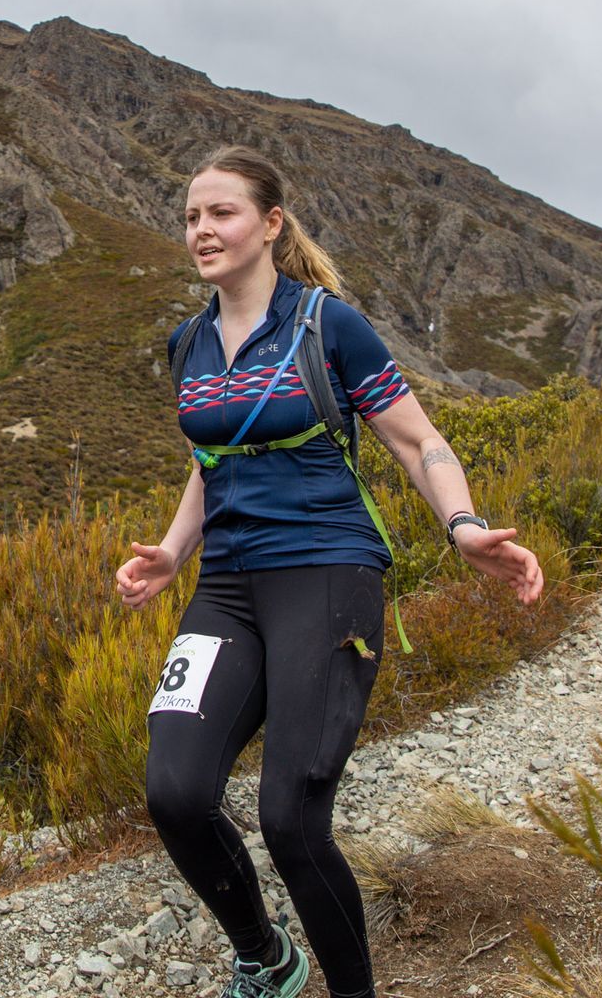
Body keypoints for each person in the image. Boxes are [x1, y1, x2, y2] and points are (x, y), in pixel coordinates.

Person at [115, 147, 544, 998]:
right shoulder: (188, 342)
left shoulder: (326, 325)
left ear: (270, 223)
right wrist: (173, 552)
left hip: (327, 571)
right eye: (192, 217)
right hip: (228, 587)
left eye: (221, 213)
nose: (202, 230)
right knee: (175, 789)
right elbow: (214, 458)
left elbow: (419, 441)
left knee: (291, 819)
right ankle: (265, 957)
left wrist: (461, 526)